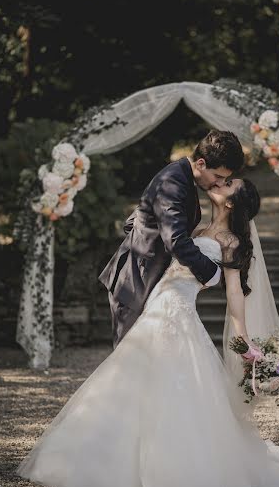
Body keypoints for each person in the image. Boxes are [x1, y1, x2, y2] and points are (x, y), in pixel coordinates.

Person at [15, 173, 279, 487]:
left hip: (178, 313)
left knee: (170, 393)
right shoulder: (199, 226)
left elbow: (235, 292)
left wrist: (244, 338)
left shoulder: (231, 241)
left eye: (228, 184)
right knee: (132, 383)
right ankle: (108, 473)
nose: (220, 183)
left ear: (232, 202)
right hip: (156, 303)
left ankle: (166, 483)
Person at [98, 129, 245, 349]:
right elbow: (175, 240)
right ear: (202, 163)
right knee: (130, 358)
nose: (218, 183)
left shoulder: (182, 177)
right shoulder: (174, 181)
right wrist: (211, 273)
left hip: (150, 278)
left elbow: (134, 219)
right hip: (136, 281)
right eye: (218, 176)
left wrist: (144, 230)